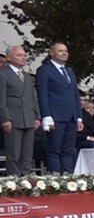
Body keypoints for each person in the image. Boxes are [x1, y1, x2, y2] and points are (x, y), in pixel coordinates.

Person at [35, 41, 83, 174]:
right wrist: (46, 116)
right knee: (54, 149)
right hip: (55, 116)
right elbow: (42, 94)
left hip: (71, 117)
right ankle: (56, 177)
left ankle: (67, 177)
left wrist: (78, 117)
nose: (64, 53)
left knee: (68, 150)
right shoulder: (44, 70)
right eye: (60, 51)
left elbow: (75, 95)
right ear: (51, 53)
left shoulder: (69, 71)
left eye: (66, 51)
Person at [1, 45, 39, 175]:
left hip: (28, 118)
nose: (23, 58)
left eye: (24, 55)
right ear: (9, 58)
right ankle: (14, 182)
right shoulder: (3, 75)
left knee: (27, 154)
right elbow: (1, 99)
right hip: (13, 118)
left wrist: (37, 116)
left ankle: (26, 180)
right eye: (19, 55)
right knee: (14, 154)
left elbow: (33, 97)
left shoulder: (27, 77)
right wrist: (5, 118)